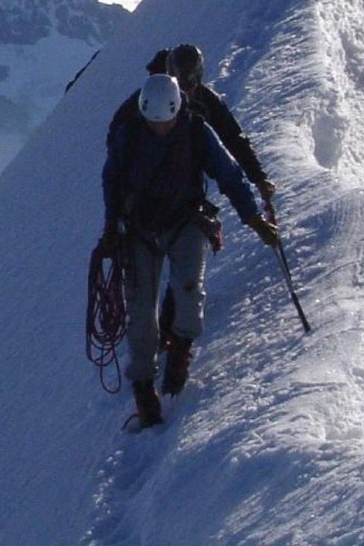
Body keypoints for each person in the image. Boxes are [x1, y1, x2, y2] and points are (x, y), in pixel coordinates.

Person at [102, 74, 278, 428]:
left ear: (176, 110)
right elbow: (112, 180)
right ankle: (144, 386)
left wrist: (254, 218)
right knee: (140, 306)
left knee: (187, 289)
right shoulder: (131, 134)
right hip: (140, 228)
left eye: (165, 122)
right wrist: (111, 227)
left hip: (184, 221)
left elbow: (229, 175)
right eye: (155, 123)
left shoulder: (197, 132)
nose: (161, 129)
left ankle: (180, 349)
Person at [108, 43, 277, 346]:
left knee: (183, 264)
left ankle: (172, 333)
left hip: (182, 196)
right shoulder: (154, 101)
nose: (186, 91)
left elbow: (232, 141)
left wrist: (257, 179)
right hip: (146, 201)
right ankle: (168, 335)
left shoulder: (189, 103)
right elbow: (117, 145)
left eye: (190, 84)